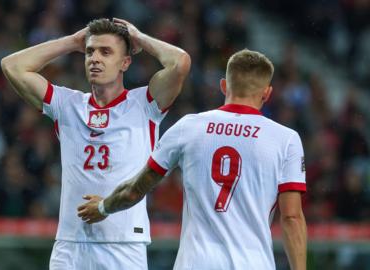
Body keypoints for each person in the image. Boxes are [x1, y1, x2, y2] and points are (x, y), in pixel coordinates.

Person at [78, 49, 307, 270]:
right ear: (267, 93)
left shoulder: (189, 126)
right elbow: (291, 217)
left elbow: (134, 190)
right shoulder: (285, 139)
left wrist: (102, 207)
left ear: (224, 86)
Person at [1, 18, 190, 270]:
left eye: (106, 52)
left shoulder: (144, 104)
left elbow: (180, 63)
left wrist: (139, 37)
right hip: (70, 243)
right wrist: (71, 42)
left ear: (125, 62)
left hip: (123, 244)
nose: (95, 58)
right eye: (90, 51)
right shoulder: (67, 105)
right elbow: (12, 65)